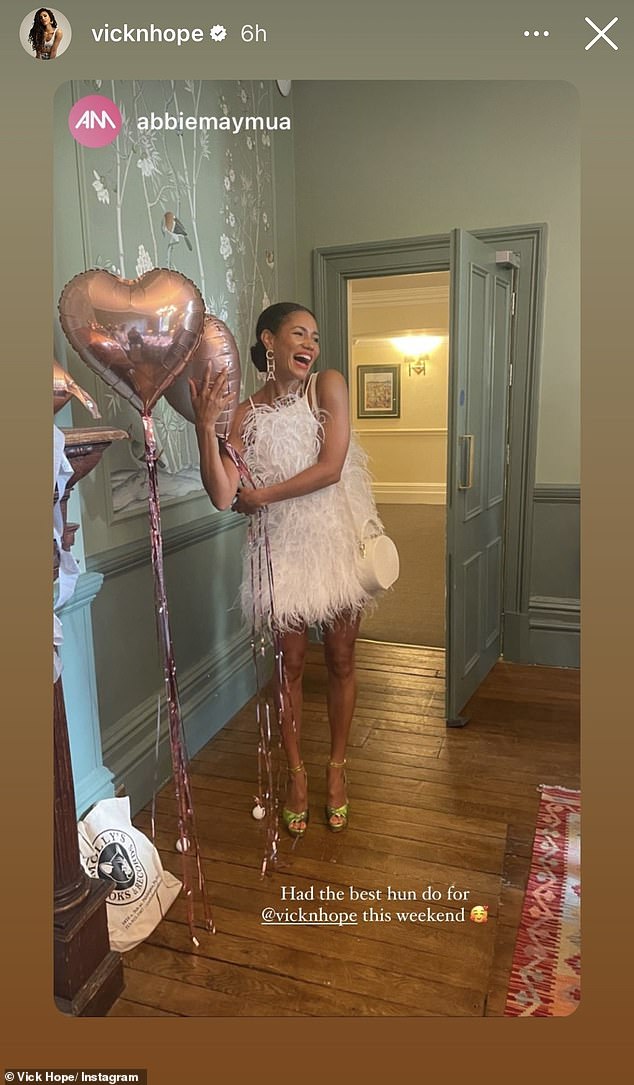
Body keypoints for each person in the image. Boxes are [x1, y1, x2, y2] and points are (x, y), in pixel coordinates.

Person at [191, 302, 382, 838]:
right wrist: (208, 429)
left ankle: (337, 769)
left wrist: (263, 496)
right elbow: (223, 493)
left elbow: (331, 466)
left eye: (316, 337)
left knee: (342, 658)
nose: (311, 345)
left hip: (335, 540)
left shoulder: (329, 385)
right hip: (282, 550)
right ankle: (297, 775)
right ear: (268, 340)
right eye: (299, 334)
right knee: (289, 667)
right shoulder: (244, 413)